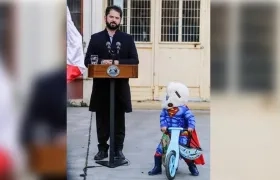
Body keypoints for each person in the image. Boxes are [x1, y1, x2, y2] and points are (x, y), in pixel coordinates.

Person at [84, 5, 139, 160]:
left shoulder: (127, 39)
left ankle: (117, 150)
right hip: (101, 87)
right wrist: (102, 61)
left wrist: (115, 61)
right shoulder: (96, 38)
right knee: (102, 119)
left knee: (119, 119)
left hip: (120, 87)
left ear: (120, 20)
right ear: (105, 18)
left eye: (117, 18)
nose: (114, 20)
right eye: (111, 17)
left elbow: (135, 60)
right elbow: (87, 60)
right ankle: (102, 149)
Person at [148, 82, 205, 176]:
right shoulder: (166, 109)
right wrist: (163, 125)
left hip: (181, 134)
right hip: (168, 133)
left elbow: (190, 118)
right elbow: (162, 117)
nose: (167, 97)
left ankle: (192, 167)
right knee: (159, 150)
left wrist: (191, 127)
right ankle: (157, 167)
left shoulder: (184, 109)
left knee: (184, 151)